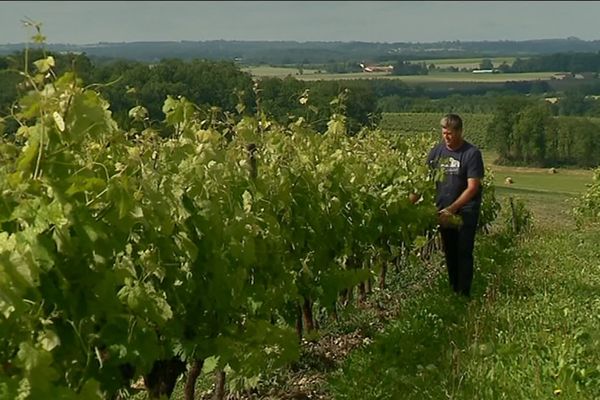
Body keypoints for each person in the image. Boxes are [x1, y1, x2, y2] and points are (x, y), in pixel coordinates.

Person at [427, 114, 484, 298]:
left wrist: (453, 208)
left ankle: (464, 294)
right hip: (443, 211)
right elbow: (423, 182)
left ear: (459, 131)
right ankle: (454, 291)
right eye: (444, 133)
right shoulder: (436, 152)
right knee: (450, 252)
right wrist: (408, 204)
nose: (446, 137)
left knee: (463, 251)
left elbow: (473, 187)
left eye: (450, 133)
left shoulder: (471, 153)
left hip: (465, 210)